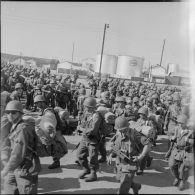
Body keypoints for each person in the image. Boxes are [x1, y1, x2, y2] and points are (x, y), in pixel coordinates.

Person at [1, 100, 41, 194]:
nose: (10, 115)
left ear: (20, 114)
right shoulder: (14, 126)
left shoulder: (22, 129)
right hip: (16, 166)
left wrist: (5, 170)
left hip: (25, 169)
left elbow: (17, 154)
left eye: (14, 112)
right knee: (9, 189)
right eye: (7, 112)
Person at [107, 116, 152, 194]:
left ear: (127, 127)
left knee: (123, 189)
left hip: (130, 164)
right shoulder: (118, 133)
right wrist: (111, 155)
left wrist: (141, 156)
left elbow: (147, 144)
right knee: (119, 179)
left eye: (123, 130)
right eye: (119, 130)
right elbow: (116, 146)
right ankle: (135, 186)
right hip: (120, 163)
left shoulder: (134, 134)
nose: (121, 132)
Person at [76, 97, 102, 182]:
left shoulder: (96, 116)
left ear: (92, 107)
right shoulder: (85, 113)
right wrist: (79, 128)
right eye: (85, 106)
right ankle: (86, 169)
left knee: (93, 158)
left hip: (93, 140)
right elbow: (81, 124)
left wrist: (81, 129)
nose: (85, 108)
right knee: (80, 155)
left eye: (87, 106)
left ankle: (93, 174)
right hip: (85, 139)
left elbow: (93, 130)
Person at [167, 114, 193, 191]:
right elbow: (174, 137)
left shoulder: (191, 131)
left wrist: (189, 141)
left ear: (186, 123)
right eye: (179, 123)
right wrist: (172, 138)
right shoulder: (177, 128)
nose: (180, 124)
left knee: (184, 168)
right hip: (177, 150)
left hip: (186, 151)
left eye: (182, 123)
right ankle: (177, 177)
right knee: (172, 165)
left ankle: (183, 181)